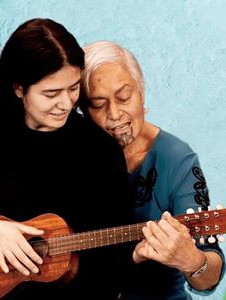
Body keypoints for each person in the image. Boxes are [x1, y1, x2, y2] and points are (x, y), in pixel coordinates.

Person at [0, 20, 131, 300]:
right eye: (51, 93)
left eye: (73, 88)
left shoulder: (99, 150)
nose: (66, 104)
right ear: (19, 88)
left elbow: (117, 266)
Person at [79, 40, 225, 300]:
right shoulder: (73, 153)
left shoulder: (177, 160)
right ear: (83, 110)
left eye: (124, 97)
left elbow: (210, 274)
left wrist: (192, 261)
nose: (114, 114)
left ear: (142, 92)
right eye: (99, 104)